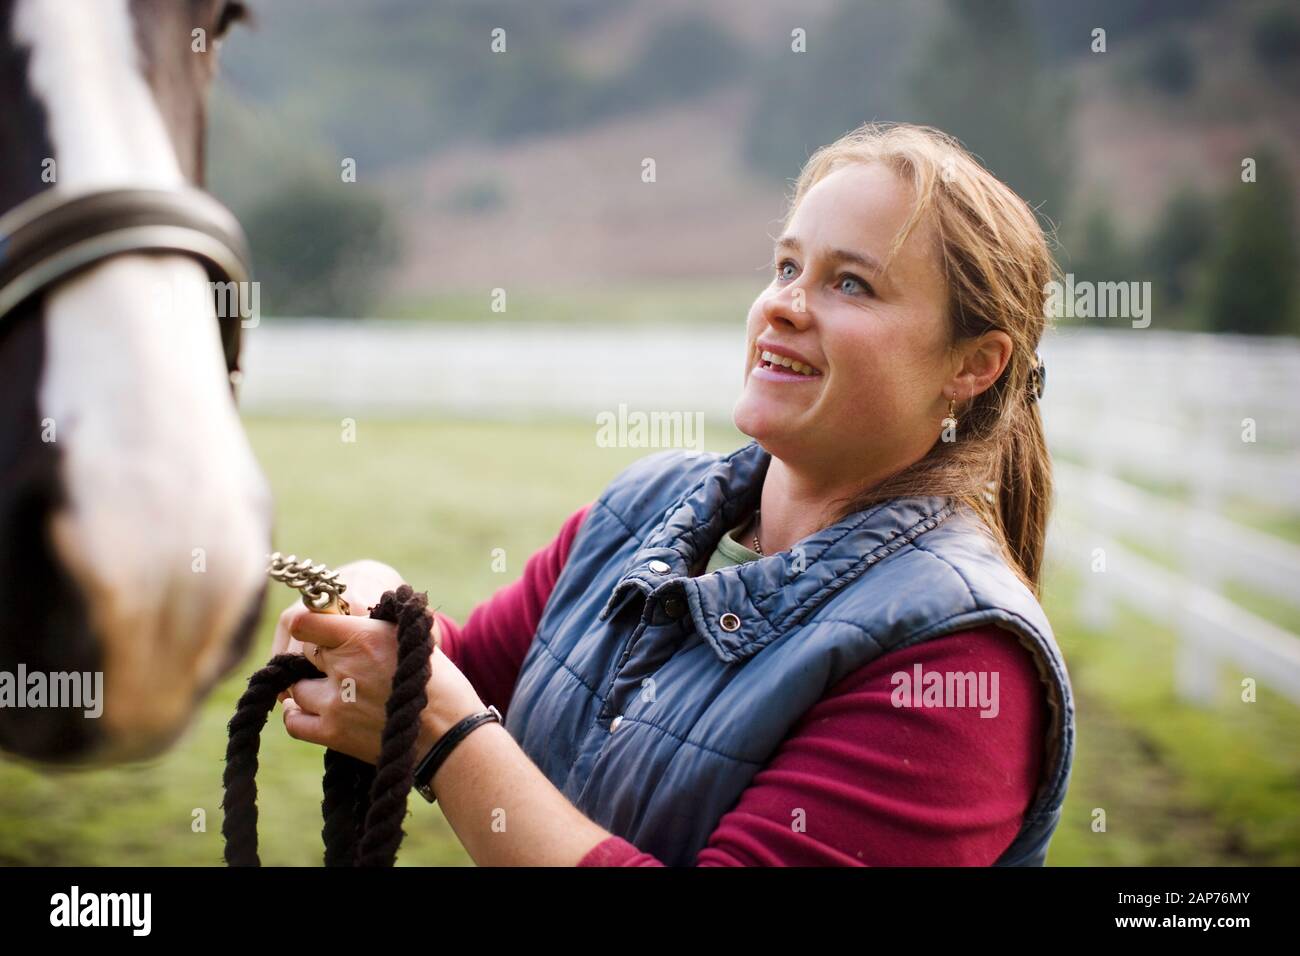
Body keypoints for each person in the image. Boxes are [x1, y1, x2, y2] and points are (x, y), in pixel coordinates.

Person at [274, 121, 1073, 867]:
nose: (782, 306)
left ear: (973, 366)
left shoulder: (963, 668)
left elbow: (454, 710)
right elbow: (476, 670)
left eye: (852, 284)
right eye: (788, 266)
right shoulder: (643, 506)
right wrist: (372, 613)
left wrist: (443, 737)